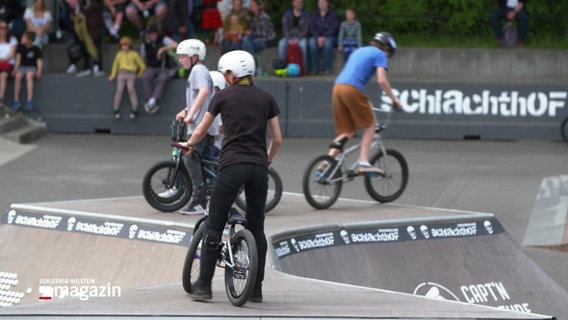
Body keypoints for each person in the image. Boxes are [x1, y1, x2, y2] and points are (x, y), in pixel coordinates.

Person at [178, 50, 282, 303]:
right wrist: (265, 161)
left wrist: (190, 144)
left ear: (232, 74)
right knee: (256, 226)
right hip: (258, 168)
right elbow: (277, 139)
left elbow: (202, 128)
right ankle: (255, 290)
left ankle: (203, 285)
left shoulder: (222, 97)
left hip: (231, 165)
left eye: (226, 73)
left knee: (214, 223)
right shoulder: (266, 98)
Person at [324, 32, 401, 175]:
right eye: (389, 51)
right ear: (386, 47)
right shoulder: (380, 54)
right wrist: (394, 100)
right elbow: (381, 80)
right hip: (352, 89)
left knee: (347, 131)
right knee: (370, 125)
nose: (388, 55)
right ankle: (363, 162)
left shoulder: (360, 50)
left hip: (337, 88)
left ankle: (325, 163)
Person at [174, 39, 219, 215]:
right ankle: (210, 199)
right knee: (206, 164)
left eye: (183, 56)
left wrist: (191, 115)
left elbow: (204, 92)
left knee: (190, 157)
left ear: (194, 57)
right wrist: (186, 110)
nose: (180, 60)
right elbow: (203, 97)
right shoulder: (201, 70)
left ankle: (198, 202)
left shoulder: (197, 70)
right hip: (207, 126)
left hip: (201, 126)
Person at [140, 23, 178, 114]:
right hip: (151, 66)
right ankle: (149, 99)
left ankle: (154, 99)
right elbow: (142, 58)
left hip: (163, 67)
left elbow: (176, 45)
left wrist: (162, 49)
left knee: (163, 78)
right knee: (146, 77)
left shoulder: (163, 39)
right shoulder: (145, 44)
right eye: (148, 34)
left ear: (156, 33)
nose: (150, 35)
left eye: (152, 33)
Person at [65, 0, 105, 78]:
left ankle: (98, 66)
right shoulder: (80, 3)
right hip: (83, 29)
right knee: (83, 47)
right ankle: (86, 68)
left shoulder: (93, 3)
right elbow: (75, 12)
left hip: (94, 28)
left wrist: (82, 13)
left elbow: (92, 7)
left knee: (95, 46)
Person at [108, 36, 146, 119]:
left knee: (131, 90)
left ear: (129, 46)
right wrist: (113, 75)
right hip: (121, 73)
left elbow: (142, 66)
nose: (124, 47)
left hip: (131, 74)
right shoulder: (119, 54)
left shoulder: (134, 54)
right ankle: (116, 108)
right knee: (119, 90)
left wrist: (139, 74)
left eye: (126, 45)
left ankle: (134, 108)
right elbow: (115, 65)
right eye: (122, 45)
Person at [11, 31, 42, 111]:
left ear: (29, 40)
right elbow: (18, 60)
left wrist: (39, 70)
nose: (22, 39)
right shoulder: (20, 47)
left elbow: (39, 61)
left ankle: (29, 100)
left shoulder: (36, 49)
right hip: (22, 67)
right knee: (18, 77)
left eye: (24, 37)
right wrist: (15, 69)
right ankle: (16, 100)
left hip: (31, 67)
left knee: (29, 76)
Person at [308, 0, 338, 75]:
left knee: (327, 43)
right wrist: (318, 37)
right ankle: (314, 69)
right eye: (320, 2)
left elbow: (334, 28)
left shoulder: (333, 14)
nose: (322, 4)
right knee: (311, 43)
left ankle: (326, 69)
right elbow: (312, 28)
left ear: (327, 3)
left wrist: (324, 37)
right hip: (316, 36)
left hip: (330, 37)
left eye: (324, 2)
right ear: (317, 4)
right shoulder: (314, 14)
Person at [277, 0, 309, 72]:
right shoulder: (287, 14)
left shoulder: (305, 15)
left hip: (300, 38)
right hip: (289, 37)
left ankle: (302, 68)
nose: (298, 4)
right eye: (297, 2)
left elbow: (305, 30)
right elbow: (285, 28)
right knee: (281, 44)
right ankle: (282, 67)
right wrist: (289, 39)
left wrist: (298, 39)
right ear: (293, 3)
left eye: (300, 2)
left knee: (303, 45)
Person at [0, 19, 17, 104]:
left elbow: (12, 54)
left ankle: (1, 99)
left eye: (4, 28)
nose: (2, 30)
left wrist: (3, 60)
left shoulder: (12, 39)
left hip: (7, 63)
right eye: (0, 27)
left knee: (3, 75)